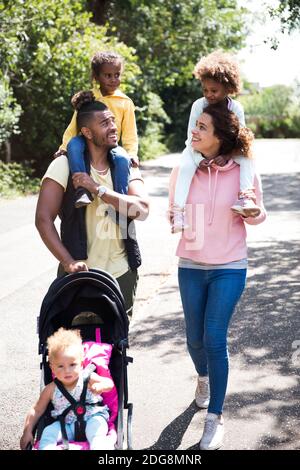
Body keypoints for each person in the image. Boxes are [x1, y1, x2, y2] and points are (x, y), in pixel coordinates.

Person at [169, 102, 266, 450]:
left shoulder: (242, 171)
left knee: (213, 337)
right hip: (191, 266)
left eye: (202, 128)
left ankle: (215, 418)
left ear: (220, 137)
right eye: (195, 125)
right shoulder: (185, 169)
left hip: (229, 266)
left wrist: (253, 213)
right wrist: (175, 220)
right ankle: (204, 378)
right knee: (193, 338)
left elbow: (258, 212)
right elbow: (174, 209)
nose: (193, 131)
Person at [35, 90, 149, 320]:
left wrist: (98, 190)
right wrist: (68, 262)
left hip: (122, 272)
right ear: (86, 132)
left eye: (113, 121)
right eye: (105, 123)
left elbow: (141, 210)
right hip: (78, 273)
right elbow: (43, 219)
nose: (113, 127)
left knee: (114, 349)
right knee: (74, 349)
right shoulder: (63, 166)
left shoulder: (126, 166)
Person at [172, 50, 260, 233]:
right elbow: (191, 137)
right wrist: (199, 159)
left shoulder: (235, 108)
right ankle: (178, 212)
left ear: (228, 88)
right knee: (185, 166)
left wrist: (227, 155)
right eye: (205, 90)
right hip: (196, 150)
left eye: (214, 90)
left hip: (229, 151)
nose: (209, 94)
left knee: (248, 158)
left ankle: (245, 197)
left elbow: (241, 139)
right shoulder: (199, 105)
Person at [54, 51, 139, 208]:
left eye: (117, 75)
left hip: (109, 144)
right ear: (96, 76)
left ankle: (119, 198)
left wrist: (132, 153)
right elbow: (73, 126)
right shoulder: (89, 97)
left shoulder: (125, 102)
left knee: (122, 159)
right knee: (74, 145)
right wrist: (63, 147)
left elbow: (130, 133)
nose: (114, 79)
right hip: (85, 140)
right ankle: (82, 190)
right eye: (108, 75)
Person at [20, 328, 114, 450]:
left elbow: (109, 383)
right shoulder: (51, 389)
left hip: (93, 418)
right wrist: (27, 431)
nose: (67, 371)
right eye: (60, 366)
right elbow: (36, 410)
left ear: (81, 364)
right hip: (66, 425)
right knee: (48, 433)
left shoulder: (87, 377)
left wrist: (102, 386)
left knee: (96, 434)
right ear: (52, 367)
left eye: (72, 365)